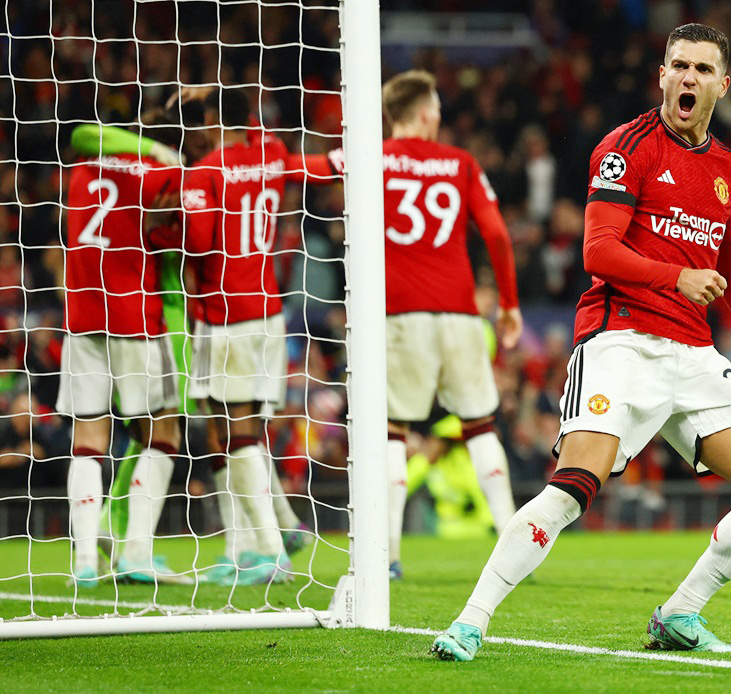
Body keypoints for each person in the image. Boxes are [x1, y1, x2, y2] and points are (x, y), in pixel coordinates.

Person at [431, 23, 731, 662]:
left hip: (694, 353)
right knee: (572, 486)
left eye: (702, 69)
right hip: (621, 341)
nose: (689, 78)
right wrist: (677, 275)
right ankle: (471, 621)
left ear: (723, 85)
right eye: (679, 66)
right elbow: (598, 250)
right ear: (662, 75)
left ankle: (680, 612)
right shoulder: (626, 147)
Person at [312, 70, 522, 580]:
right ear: (427, 113)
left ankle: (387, 557)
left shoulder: (371, 155)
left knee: (392, 432)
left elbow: (309, 169)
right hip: (460, 314)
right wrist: (509, 305)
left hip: (399, 313)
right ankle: (516, 546)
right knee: (480, 426)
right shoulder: (460, 163)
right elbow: (495, 233)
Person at [58, 111, 192, 587]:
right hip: (135, 321)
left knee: (88, 442)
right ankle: (135, 552)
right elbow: (184, 206)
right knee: (164, 433)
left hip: (81, 321)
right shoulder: (154, 173)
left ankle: (86, 560)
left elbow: (79, 133)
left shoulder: (78, 172)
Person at [179, 87, 293, 584]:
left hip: (223, 315)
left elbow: (199, 244)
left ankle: (270, 551)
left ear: (207, 121)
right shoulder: (272, 154)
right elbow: (271, 142)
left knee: (236, 429)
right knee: (227, 430)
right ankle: (245, 544)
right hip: (268, 311)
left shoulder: (205, 172)